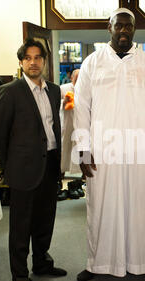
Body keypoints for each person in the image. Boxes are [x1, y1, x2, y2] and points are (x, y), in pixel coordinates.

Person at [74, 8, 145, 281]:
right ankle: (97, 263)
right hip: (103, 148)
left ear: (134, 30)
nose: (124, 31)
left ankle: (143, 263)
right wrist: (83, 148)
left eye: (129, 27)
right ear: (110, 27)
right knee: (101, 204)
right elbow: (81, 108)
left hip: (140, 147)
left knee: (140, 206)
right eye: (119, 26)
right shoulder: (93, 62)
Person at [0, 39, 66, 281]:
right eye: (28, 58)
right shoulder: (10, 91)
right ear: (21, 62)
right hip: (23, 169)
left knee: (45, 220)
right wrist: (9, 163)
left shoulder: (54, 90)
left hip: (50, 164)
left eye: (38, 57)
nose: (34, 62)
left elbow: (53, 128)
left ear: (44, 61)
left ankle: (42, 263)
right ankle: (20, 276)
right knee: (21, 226)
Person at [58, 69, 84, 200]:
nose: (79, 79)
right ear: (72, 77)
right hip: (66, 126)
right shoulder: (63, 88)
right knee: (64, 153)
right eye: (77, 76)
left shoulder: (85, 90)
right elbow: (56, 105)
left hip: (80, 128)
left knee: (79, 155)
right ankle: (59, 185)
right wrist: (63, 102)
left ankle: (77, 185)